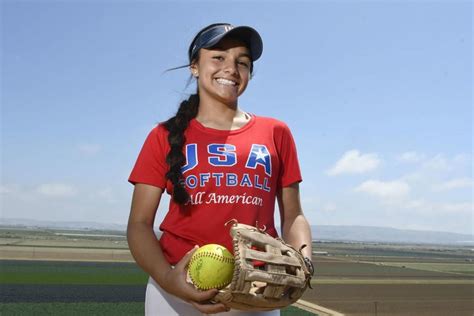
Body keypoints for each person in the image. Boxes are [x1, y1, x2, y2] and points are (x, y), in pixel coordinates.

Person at [127, 23, 313, 315]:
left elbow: (294, 215)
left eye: (242, 62)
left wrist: (304, 263)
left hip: (256, 291)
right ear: (194, 67)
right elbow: (138, 225)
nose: (231, 68)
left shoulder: (276, 132)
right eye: (218, 57)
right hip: (175, 292)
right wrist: (168, 279)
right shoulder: (163, 135)